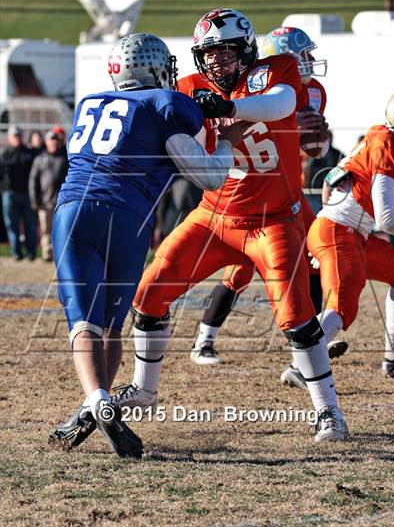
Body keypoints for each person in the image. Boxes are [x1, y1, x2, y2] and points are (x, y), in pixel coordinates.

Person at [111, 10, 349, 443]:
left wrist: (230, 107)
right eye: (209, 54)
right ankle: (144, 391)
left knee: (296, 317)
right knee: (148, 295)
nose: (218, 62)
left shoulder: (274, 72)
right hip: (214, 215)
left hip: (272, 219)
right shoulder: (188, 88)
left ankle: (329, 411)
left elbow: (279, 102)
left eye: (226, 51)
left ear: (247, 50)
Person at [48, 33, 237, 458]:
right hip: (128, 219)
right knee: (114, 326)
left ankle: (95, 402)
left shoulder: (88, 104)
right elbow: (207, 176)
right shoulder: (164, 105)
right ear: (155, 68)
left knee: (83, 322)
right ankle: (97, 404)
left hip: (74, 211)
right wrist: (228, 139)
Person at [187, 26, 338, 369]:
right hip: (250, 192)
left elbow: (313, 149)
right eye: (304, 55)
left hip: (289, 191)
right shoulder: (256, 87)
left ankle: (313, 342)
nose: (311, 61)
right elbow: (255, 126)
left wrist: (319, 136)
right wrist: (290, 122)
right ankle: (204, 341)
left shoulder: (314, 91)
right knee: (241, 271)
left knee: (313, 259)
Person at [302, 87, 394, 383]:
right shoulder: (392, 147)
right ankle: (301, 365)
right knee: (343, 305)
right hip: (340, 231)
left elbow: (330, 179)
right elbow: (388, 219)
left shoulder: (380, 135)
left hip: (346, 231)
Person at [28, 129, 68, 261]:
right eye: (51, 140)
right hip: (44, 202)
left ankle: (61, 254)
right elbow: (33, 180)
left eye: (56, 140)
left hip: (61, 202)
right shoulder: (39, 159)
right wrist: (35, 200)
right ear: (46, 142)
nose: (53, 143)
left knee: (62, 230)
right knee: (46, 230)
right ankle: (47, 254)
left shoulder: (64, 158)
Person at [0, 125, 38, 260]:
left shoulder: (29, 153)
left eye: (19, 135)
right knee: (12, 224)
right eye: (14, 136)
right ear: (10, 137)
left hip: (27, 194)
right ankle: (16, 253)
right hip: (9, 194)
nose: (17, 138)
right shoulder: (4, 154)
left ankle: (31, 253)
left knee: (30, 225)